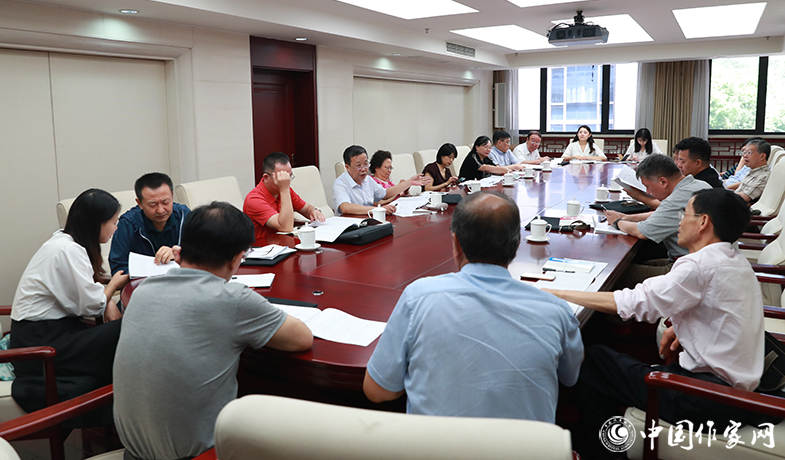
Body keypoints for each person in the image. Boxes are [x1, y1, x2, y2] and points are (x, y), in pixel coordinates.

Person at [546, 189, 772, 459]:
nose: (680, 221)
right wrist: (682, 326)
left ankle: (603, 452)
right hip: (735, 393)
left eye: (685, 214)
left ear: (703, 222)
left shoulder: (699, 266)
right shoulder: (735, 259)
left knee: (592, 360)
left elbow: (633, 303)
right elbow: (723, 311)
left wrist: (557, 293)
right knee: (604, 361)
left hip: (706, 399)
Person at [114, 202, 313, 460]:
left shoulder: (142, 291)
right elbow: (302, 339)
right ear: (236, 258)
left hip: (133, 454)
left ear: (180, 251)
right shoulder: (231, 299)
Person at [363, 192, 583, 422]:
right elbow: (570, 377)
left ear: (456, 242)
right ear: (517, 243)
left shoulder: (418, 297)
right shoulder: (556, 311)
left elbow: (377, 392)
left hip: (435, 442)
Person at [11, 188, 127, 422]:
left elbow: (87, 295)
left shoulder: (63, 241)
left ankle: (129, 407)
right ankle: (132, 410)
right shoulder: (67, 249)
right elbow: (91, 305)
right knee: (126, 328)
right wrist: (113, 286)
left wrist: (105, 299)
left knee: (120, 331)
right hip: (40, 345)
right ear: (97, 223)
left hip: (50, 333)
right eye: (113, 222)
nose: (115, 228)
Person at [603, 155, 711, 287]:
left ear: (663, 182)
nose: (648, 192)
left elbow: (642, 231)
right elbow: (664, 215)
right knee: (638, 263)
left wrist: (617, 222)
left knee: (616, 275)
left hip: (691, 269)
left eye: (647, 186)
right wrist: (628, 218)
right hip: (701, 261)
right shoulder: (699, 184)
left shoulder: (676, 199)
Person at [109, 172, 190, 275]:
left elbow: (203, 253)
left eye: (165, 202)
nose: (160, 210)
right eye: (153, 204)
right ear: (139, 203)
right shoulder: (128, 224)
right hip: (144, 282)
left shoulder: (184, 215)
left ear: (172, 196)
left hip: (182, 280)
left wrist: (179, 253)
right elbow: (118, 268)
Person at [243, 151, 325, 246]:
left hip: (284, 244)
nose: (287, 181)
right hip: (263, 248)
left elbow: (306, 209)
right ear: (266, 178)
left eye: (289, 177)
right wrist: (284, 189)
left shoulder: (286, 190)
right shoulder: (254, 199)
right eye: (282, 178)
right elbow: (286, 227)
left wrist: (313, 210)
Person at [333, 145, 427, 216]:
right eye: (358, 165)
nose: (363, 169)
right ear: (347, 167)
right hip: (350, 224)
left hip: (369, 220)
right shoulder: (340, 183)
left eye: (365, 164)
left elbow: (385, 193)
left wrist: (409, 182)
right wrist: (377, 210)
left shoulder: (368, 180)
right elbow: (345, 207)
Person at [734, 138, 771, 203]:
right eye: (744, 152)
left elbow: (745, 197)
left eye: (749, 153)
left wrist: (723, 194)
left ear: (762, 156)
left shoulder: (764, 176)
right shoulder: (753, 171)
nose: (745, 156)